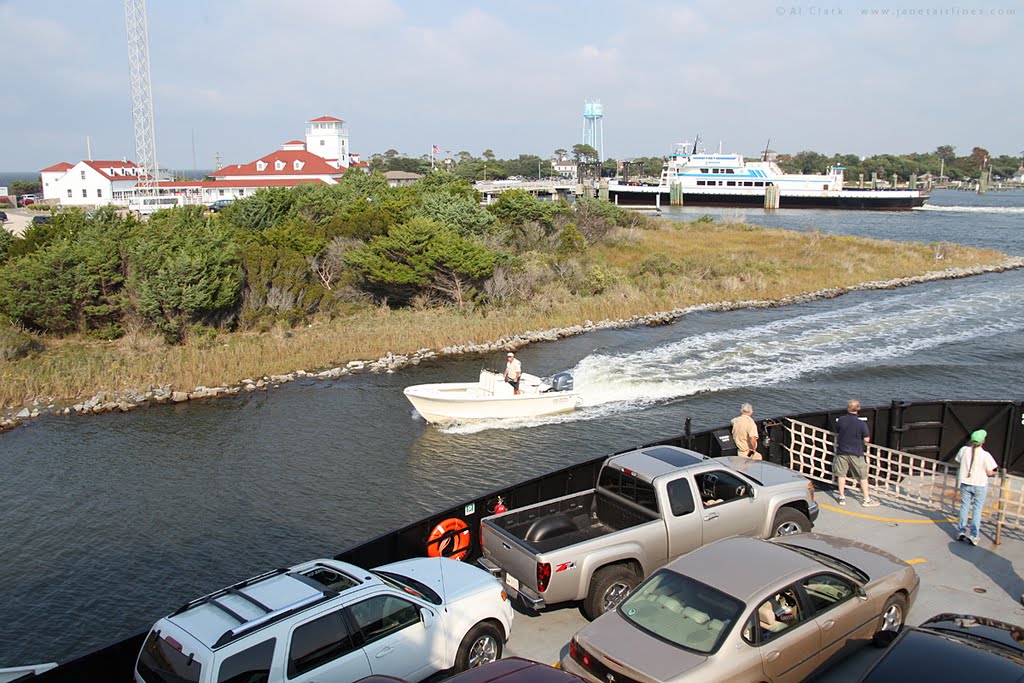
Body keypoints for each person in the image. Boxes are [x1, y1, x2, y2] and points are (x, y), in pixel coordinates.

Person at [955, 429, 998, 546]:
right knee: (977, 510)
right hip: (979, 484)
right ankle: (974, 535)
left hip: (965, 483)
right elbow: (990, 472)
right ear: (983, 441)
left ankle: (961, 531)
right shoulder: (985, 455)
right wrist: (995, 473)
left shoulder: (964, 450)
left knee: (964, 507)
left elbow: (958, 460)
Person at [834, 399, 880, 507]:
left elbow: (837, 433)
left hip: (842, 451)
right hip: (856, 452)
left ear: (848, 409)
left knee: (841, 475)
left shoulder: (841, 420)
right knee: (863, 477)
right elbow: (867, 439)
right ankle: (866, 499)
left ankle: (842, 498)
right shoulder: (861, 424)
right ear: (858, 409)